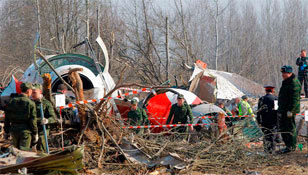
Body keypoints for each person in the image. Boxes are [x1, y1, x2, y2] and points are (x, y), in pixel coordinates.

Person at [4, 83, 38, 151]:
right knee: (24, 152)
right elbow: (32, 120)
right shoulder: (30, 103)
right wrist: (35, 132)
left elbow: (7, 118)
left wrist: (6, 131)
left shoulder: (12, 101)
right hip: (25, 131)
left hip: (14, 130)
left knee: (15, 151)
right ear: (28, 91)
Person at [278, 65, 301, 154]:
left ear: (290, 73)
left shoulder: (294, 83)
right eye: (282, 73)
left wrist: (291, 110)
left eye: (284, 73)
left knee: (290, 128)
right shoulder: (286, 81)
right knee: (284, 127)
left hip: (289, 110)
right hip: (283, 109)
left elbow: (295, 99)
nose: (283, 75)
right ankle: (288, 145)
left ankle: (291, 146)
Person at [31, 84, 57, 152]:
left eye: (34, 92)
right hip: (31, 130)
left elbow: (53, 118)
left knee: (41, 149)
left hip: (42, 131)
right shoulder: (30, 103)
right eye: (31, 92)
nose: (32, 94)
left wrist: (47, 120)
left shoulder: (46, 103)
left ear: (40, 92)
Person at [257, 86, 278, 154]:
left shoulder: (261, 99)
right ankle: (272, 151)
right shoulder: (275, 99)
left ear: (266, 91)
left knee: (266, 135)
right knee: (272, 136)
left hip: (264, 120)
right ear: (272, 91)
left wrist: (258, 121)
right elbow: (277, 111)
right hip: (273, 121)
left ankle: (266, 150)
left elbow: (258, 111)